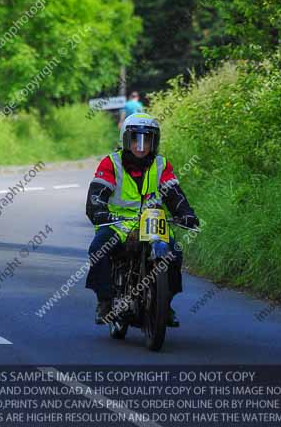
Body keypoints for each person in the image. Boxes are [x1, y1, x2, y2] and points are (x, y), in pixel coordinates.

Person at [85, 112, 200, 326]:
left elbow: (174, 193)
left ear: (153, 142)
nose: (140, 146)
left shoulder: (161, 164)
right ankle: (105, 301)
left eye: (146, 139)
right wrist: (97, 210)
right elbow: (97, 192)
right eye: (136, 139)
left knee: (174, 252)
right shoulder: (111, 163)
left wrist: (186, 213)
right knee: (97, 249)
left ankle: (164, 305)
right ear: (126, 140)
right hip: (118, 222)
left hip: (153, 221)